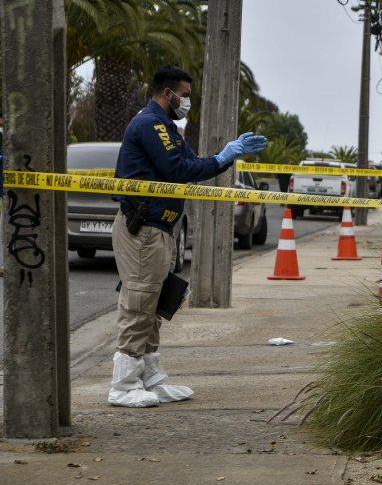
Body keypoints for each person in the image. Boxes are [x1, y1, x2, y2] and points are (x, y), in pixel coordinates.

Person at [109, 65, 267, 408]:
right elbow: (179, 170)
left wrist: (225, 155)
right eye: (185, 94)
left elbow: (189, 162)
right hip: (144, 230)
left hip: (160, 229)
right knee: (138, 304)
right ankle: (122, 384)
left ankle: (150, 377)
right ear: (168, 94)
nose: (187, 101)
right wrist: (225, 157)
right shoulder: (150, 124)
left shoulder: (165, 126)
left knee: (152, 305)